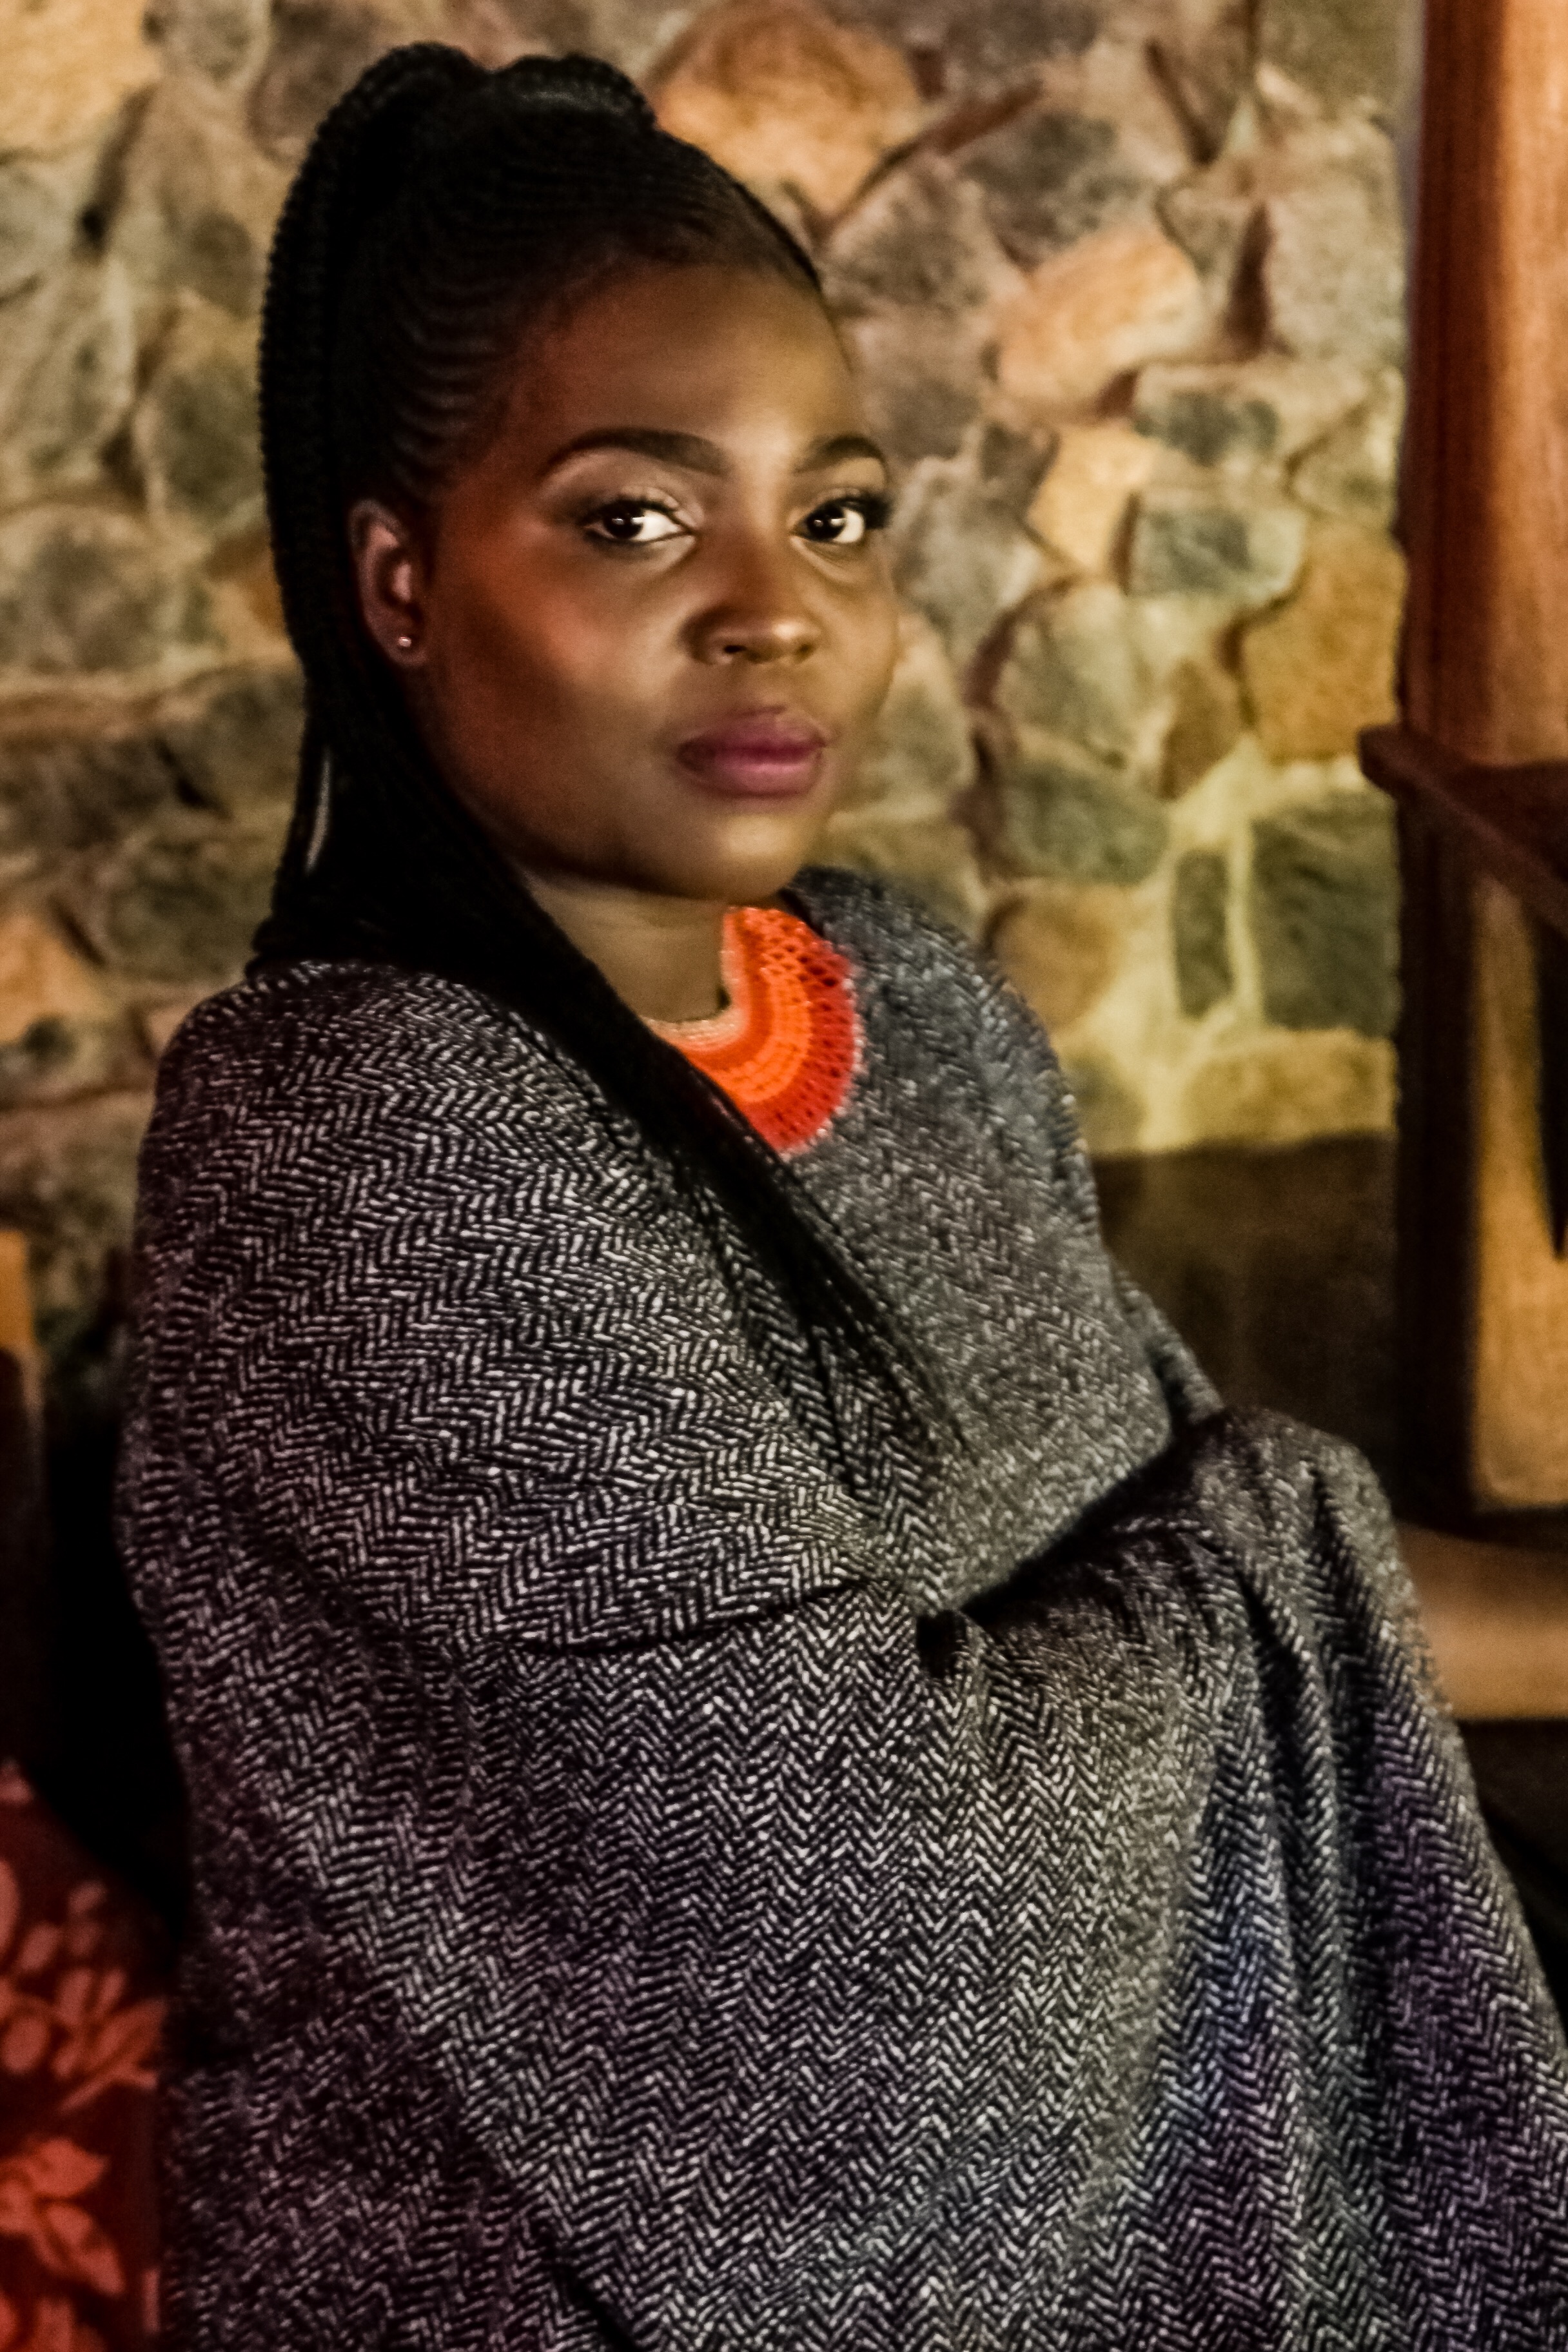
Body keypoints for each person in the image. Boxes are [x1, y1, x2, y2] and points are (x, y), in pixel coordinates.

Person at [114, 44, 1568, 2349]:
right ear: (399, 582)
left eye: (843, 516)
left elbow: (1213, 1532)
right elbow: (896, 2008)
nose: (774, 611)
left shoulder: (904, 1005)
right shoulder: (367, 1145)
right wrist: (1280, 1551)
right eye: (634, 520)